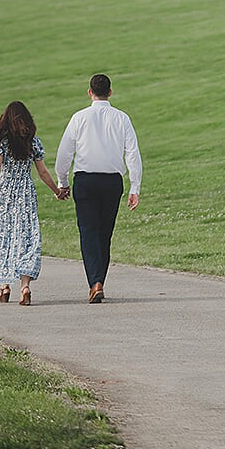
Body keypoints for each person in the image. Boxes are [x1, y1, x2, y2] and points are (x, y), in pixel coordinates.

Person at [55, 74, 142, 303]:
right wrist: (135, 186)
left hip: (85, 180)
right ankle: (98, 280)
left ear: (89, 92)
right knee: (105, 232)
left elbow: (65, 153)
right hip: (112, 181)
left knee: (88, 231)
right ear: (110, 92)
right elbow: (132, 153)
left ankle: (95, 281)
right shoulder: (122, 118)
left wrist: (62, 181)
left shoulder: (79, 118)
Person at [0, 100, 65, 305]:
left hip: (4, 192)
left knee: (2, 236)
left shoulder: (0, 141)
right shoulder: (33, 142)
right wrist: (57, 191)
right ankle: (25, 287)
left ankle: (4, 287)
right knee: (26, 237)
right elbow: (42, 172)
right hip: (25, 193)